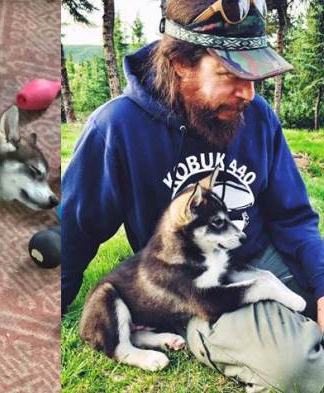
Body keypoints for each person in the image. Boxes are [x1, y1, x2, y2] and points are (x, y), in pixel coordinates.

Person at [61, 0, 324, 391]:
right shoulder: (117, 129)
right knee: (302, 370)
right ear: (181, 62)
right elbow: (71, 237)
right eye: (230, 73)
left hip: (262, 255)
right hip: (196, 286)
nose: (249, 93)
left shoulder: (259, 116)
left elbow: (294, 218)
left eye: (254, 75)